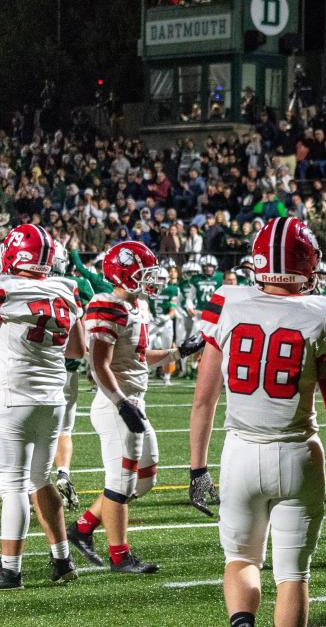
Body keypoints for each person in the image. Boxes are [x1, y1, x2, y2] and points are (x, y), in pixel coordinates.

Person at [188, 217, 326, 627]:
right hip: (298, 455)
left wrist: (197, 468)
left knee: (241, 559)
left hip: (241, 454)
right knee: (293, 576)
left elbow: (203, 400)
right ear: (307, 265)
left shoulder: (227, 302)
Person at [68, 241, 201, 573]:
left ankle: (83, 527)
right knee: (121, 482)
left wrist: (178, 353)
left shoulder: (136, 306)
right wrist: (120, 402)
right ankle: (120, 556)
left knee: (145, 478)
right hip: (116, 405)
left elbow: (140, 358)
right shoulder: (107, 305)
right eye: (145, 273)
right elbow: (98, 364)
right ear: (123, 273)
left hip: (133, 401)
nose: (151, 280)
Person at [0, 225, 86, 590]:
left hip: (15, 396)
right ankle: (62, 560)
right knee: (39, 479)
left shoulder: (6, 288)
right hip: (53, 399)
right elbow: (78, 349)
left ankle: (10, 571)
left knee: (13, 485)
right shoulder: (67, 289)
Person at [50, 241, 95, 511]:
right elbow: (81, 343)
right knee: (63, 430)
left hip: (22, 372)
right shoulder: (72, 286)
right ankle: (63, 473)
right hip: (64, 371)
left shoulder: (13, 285)